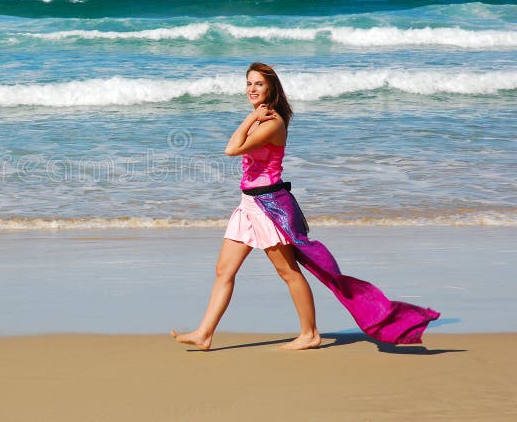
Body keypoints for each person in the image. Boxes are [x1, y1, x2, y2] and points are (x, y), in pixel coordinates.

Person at [172, 62, 439, 351]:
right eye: (248, 83)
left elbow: (231, 148)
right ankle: (204, 333)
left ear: (271, 88)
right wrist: (252, 119)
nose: (251, 89)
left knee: (288, 272)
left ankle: (310, 333)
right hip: (248, 204)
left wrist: (250, 118)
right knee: (223, 269)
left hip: (269, 207)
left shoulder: (271, 123)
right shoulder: (262, 120)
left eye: (258, 84)